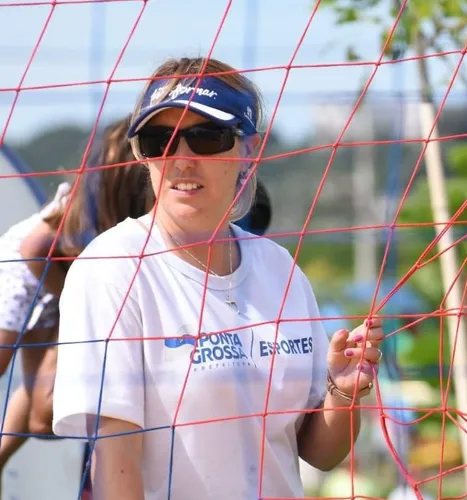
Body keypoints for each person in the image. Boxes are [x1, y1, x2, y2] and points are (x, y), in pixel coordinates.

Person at [51, 57, 384, 500]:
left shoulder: (278, 268)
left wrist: (341, 394)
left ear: (251, 150)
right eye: (159, 139)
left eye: (207, 137)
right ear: (140, 153)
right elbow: (116, 462)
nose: (181, 160)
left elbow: (320, 454)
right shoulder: (111, 269)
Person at [0, 116, 152, 480]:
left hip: (58, 284)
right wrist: (71, 297)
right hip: (28, 277)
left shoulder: (120, 222)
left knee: (39, 396)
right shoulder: (82, 212)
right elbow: (33, 250)